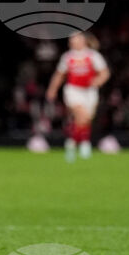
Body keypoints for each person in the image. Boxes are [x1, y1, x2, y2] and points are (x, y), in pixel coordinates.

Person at [46, 32, 110, 161]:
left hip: (89, 91)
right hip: (73, 90)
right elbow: (59, 75)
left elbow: (105, 73)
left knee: (85, 120)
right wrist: (52, 89)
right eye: (71, 40)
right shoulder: (67, 57)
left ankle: (72, 142)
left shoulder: (93, 56)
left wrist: (98, 81)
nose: (73, 42)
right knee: (82, 116)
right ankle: (85, 144)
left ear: (83, 41)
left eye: (75, 39)